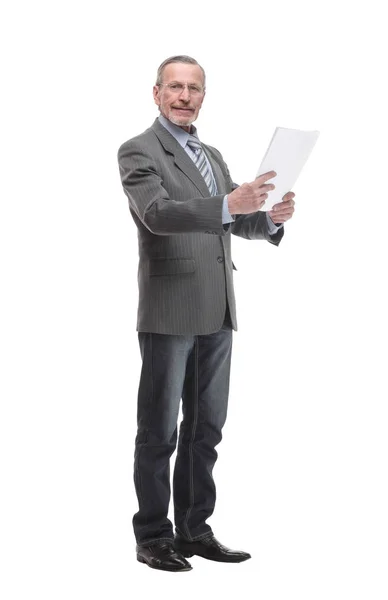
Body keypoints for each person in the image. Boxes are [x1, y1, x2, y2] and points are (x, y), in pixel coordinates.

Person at [117, 55, 295, 572]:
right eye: (175, 86)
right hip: (170, 308)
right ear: (156, 93)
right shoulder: (138, 150)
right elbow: (157, 215)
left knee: (206, 427)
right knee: (159, 431)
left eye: (194, 88)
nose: (185, 96)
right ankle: (153, 536)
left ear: (203, 96)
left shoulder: (211, 154)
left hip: (218, 308)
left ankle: (195, 529)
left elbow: (235, 219)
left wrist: (271, 218)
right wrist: (227, 205)